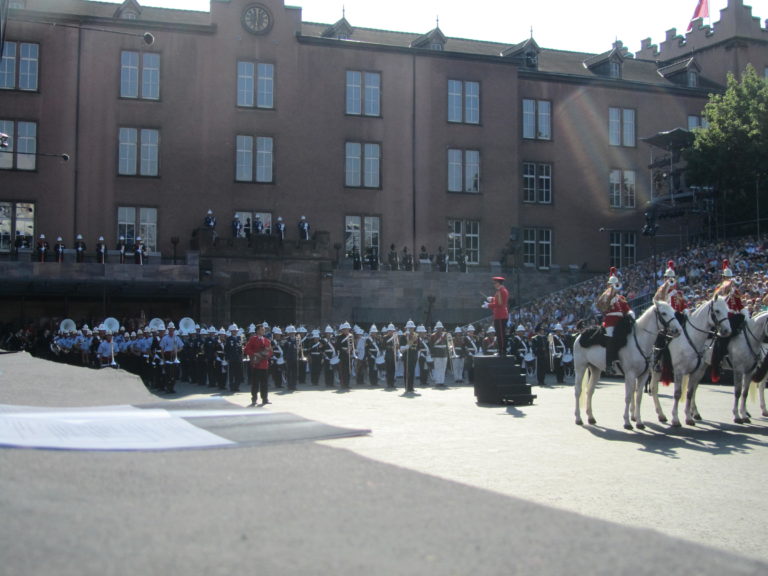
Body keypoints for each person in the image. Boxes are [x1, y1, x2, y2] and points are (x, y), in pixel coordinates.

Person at [710, 259, 747, 382]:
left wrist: (745, 314)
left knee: (743, 321)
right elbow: (716, 304)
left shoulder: (734, 291)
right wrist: (726, 294)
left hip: (735, 317)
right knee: (724, 336)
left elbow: (739, 305)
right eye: (727, 277)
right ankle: (720, 359)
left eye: (730, 277)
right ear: (723, 277)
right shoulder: (718, 290)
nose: (729, 279)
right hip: (724, 317)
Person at [596, 267, 632, 372]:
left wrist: (630, 313)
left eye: (615, 284)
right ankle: (609, 363)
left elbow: (627, 308)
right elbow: (601, 306)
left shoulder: (621, 298)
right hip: (610, 322)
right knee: (611, 337)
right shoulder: (605, 296)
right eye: (612, 285)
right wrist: (610, 296)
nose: (614, 287)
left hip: (621, 322)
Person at [244, 322, 272, 406]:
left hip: (264, 364)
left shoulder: (267, 340)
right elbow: (246, 349)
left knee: (264, 383)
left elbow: (270, 351)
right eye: (262, 329)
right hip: (256, 364)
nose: (263, 331)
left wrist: (266, 355)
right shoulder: (253, 339)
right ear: (257, 331)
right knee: (255, 383)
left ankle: (265, 398)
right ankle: (254, 399)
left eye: (264, 329)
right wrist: (255, 354)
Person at [484, 276, 509, 357]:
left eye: (495, 283)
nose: (494, 284)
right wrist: (492, 299)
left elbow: (500, 304)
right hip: (498, 315)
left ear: (499, 283)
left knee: (501, 334)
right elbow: (498, 300)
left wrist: (489, 305)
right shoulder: (500, 291)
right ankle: (501, 349)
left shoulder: (502, 291)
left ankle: (502, 350)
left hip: (501, 315)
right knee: (499, 334)